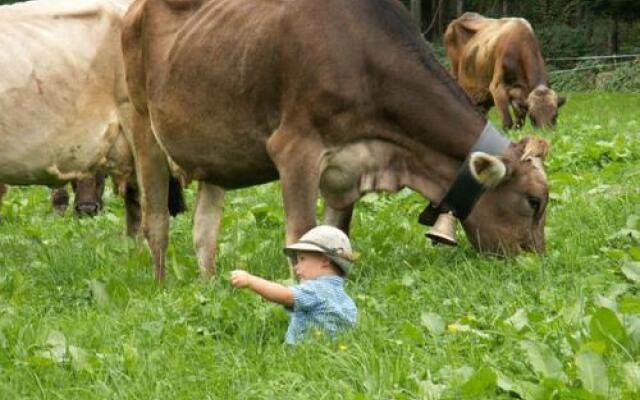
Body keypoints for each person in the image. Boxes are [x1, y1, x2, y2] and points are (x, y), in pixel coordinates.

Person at [230, 225, 357, 344]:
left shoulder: (314, 290)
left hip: (304, 353)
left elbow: (285, 296)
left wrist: (250, 280)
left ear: (325, 260)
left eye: (302, 259)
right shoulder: (346, 302)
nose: (296, 266)